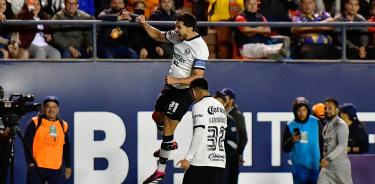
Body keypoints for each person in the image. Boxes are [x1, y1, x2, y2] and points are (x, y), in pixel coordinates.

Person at [137, 12, 209, 183]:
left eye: (179, 27)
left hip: (185, 90)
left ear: (190, 28)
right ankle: (169, 143)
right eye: (176, 26)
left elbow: (198, 77)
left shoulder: (200, 47)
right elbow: (158, 35)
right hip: (171, 86)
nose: (176, 30)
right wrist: (144, 24)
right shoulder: (178, 36)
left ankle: (160, 171)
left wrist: (176, 79)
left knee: (169, 124)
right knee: (157, 117)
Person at [177, 78, 227, 184]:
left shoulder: (199, 106)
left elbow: (199, 132)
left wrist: (188, 158)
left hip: (201, 162)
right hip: (219, 163)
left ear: (194, 91)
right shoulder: (221, 107)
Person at [24, 96, 72, 184]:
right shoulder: (35, 122)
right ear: (43, 108)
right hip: (37, 168)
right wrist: (30, 162)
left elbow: (67, 147)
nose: (51, 109)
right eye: (48, 106)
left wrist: (68, 165)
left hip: (55, 169)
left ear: (58, 109)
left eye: (54, 107)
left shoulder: (63, 125)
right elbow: (27, 144)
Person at [282, 97, 322, 184]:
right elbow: (285, 148)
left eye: (304, 110)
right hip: (299, 167)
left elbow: (323, 142)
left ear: (308, 110)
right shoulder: (290, 125)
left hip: (316, 166)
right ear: (295, 111)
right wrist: (291, 140)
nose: (302, 113)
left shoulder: (316, 122)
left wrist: (323, 159)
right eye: (299, 110)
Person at [317, 98, 353, 184]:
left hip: (340, 168)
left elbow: (341, 145)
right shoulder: (326, 126)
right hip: (327, 169)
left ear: (337, 110)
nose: (327, 110)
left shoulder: (341, 125)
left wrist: (328, 159)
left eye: (330, 108)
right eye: (325, 108)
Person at [214, 90, 239, 184]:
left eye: (220, 104)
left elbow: (233, 143)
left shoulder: (229, 120)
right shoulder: (204, 118)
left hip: (222, 162)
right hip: (204, 164)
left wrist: (219, 152)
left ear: (224, 105)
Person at [220, 88, 247, 166]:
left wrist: (237, 154)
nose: (222, 98)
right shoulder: (220, 112)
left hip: (230, 157)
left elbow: (243, 137)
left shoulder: (237, 115)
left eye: (225, 96)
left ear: (231, 100)